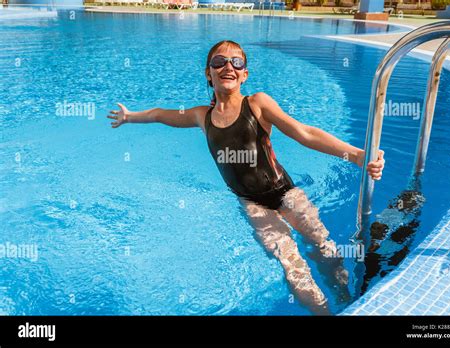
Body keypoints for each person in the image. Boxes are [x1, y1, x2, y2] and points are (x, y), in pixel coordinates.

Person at [107, 40, 385, 314]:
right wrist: (130, 117)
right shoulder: (201, 116)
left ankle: (345, 298)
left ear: (244, 74)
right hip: (253, 205)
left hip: (286, 192)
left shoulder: (258, 104)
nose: (228, 66)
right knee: (292, 266)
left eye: (236, 62)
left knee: (325, 249)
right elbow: (159, 114)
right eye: (219, 61)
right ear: (208, 73)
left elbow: (305, 133)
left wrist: (358, 155)